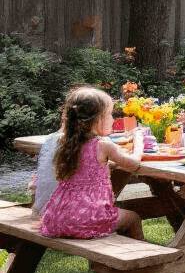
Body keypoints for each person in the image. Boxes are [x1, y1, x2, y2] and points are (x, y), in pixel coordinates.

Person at [39, 87, 145, 240]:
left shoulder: (65, 143)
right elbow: (134, 165)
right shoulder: (103, 145)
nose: (113, 119)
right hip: (88, 221)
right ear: (97, 119)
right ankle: (141, 257)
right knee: (133, 218)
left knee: (120, 217)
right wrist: (138, 141)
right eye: (109, 114)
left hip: (60, 219)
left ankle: (120, 255)